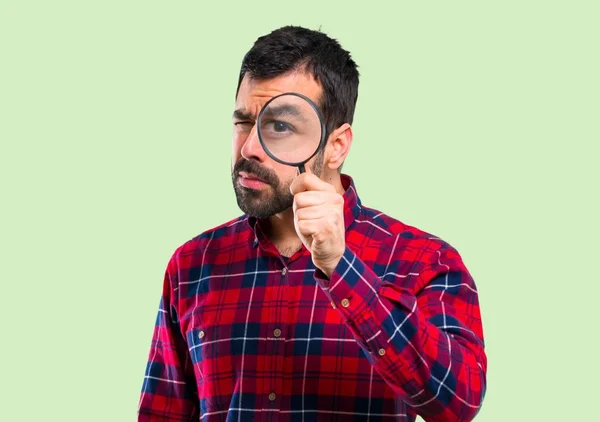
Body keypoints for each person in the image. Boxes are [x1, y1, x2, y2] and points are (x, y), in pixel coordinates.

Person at [138, 25, 487, 422]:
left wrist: (342, 268)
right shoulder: (191, 265)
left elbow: (458, 403)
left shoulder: (423, 260)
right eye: (243, 123)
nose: (250, 147)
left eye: (280, 126)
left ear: (336, 146)